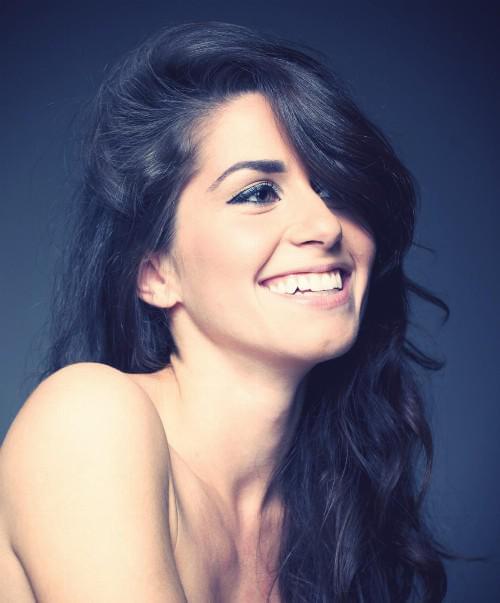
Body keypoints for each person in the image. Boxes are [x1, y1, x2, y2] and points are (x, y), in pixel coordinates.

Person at [0, 21, 452, 602]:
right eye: (257, 193)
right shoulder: (89, 419)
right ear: (154, 272)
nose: (325, 225)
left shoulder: (332, 509)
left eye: (333, 189)